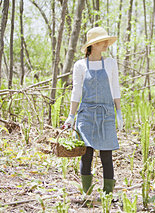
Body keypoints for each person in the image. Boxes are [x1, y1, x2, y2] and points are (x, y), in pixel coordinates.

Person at [64, 26, 123, 196]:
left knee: (106, 155)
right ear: (93, 45)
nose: (106, 44)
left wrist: (118, 112)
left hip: (106, 113)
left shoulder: (110, 63)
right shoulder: (80, 65)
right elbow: (76, 92)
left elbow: (115, 88)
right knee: (86, 155)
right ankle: (87, 194)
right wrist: (71, 116)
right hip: (86, 114)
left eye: (106, 41)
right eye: (102, 41)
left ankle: (108, 195)